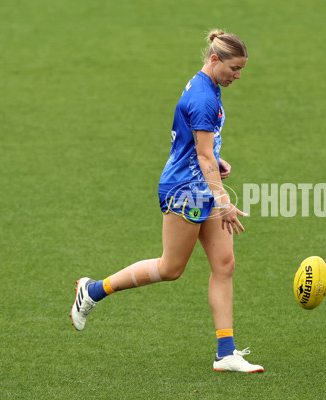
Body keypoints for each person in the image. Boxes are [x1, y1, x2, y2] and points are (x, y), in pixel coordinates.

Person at [70, 29, 263, 373]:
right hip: (185, 190)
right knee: (170, 268)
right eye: (234, 68)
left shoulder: (208, 86)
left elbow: (196, 147)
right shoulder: (204, 97)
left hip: (199, 181)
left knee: (224, 265)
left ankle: (226, 353)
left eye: (241, 70)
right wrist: (222, 200)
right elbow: (201, 155)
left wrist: (216, 160)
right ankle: (93, 290)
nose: (238, 76)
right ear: (215, 59)